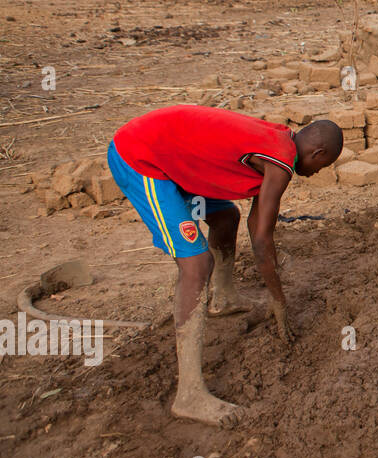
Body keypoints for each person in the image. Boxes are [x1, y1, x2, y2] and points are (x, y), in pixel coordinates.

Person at [107, 105, 342, 426]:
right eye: (322, 165)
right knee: (196, 265)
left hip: (172, 155)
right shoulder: (281, 161)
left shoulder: (280, 140)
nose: (318, 172)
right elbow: (262, 240)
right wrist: (279, 301)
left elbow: (254, 223)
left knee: (224, 216)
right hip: (141, 157)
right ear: (318, 152)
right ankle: (189, 394)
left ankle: (224, 297)